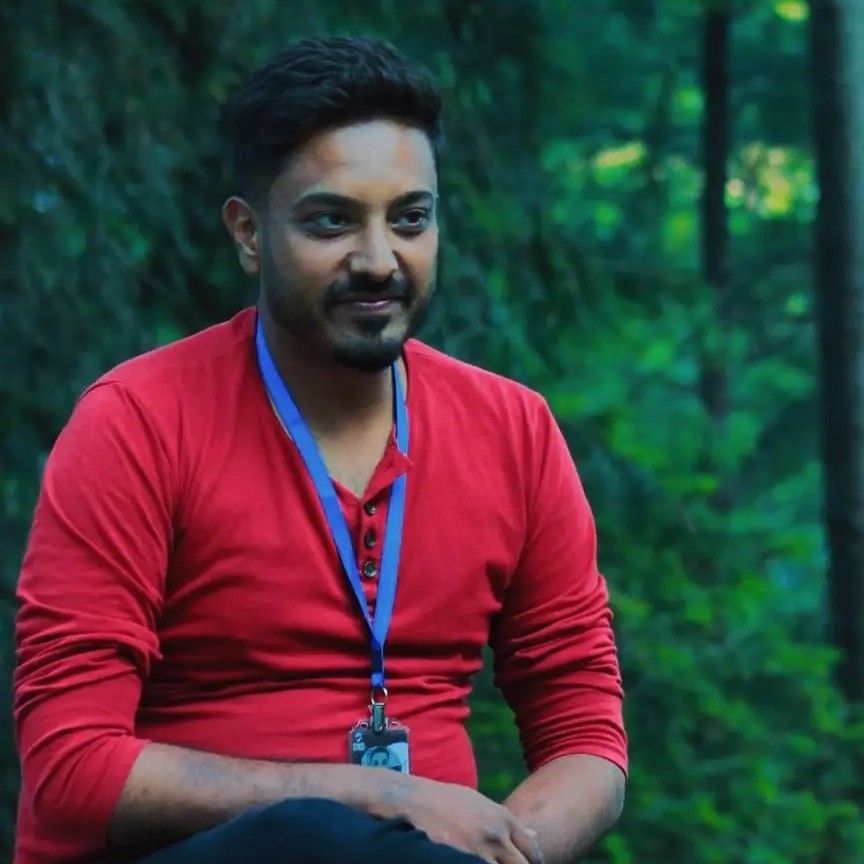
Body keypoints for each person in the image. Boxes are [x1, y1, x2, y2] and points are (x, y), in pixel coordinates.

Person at [13, 35, 628, 864]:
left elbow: (586, 734)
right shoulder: (136, 423)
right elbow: (71, 768)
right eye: (331, 221)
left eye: (410, 219)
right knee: (308, 831)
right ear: (249, 234)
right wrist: (374, 796)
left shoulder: (512, 428)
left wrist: (507, 851)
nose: (378, 261)